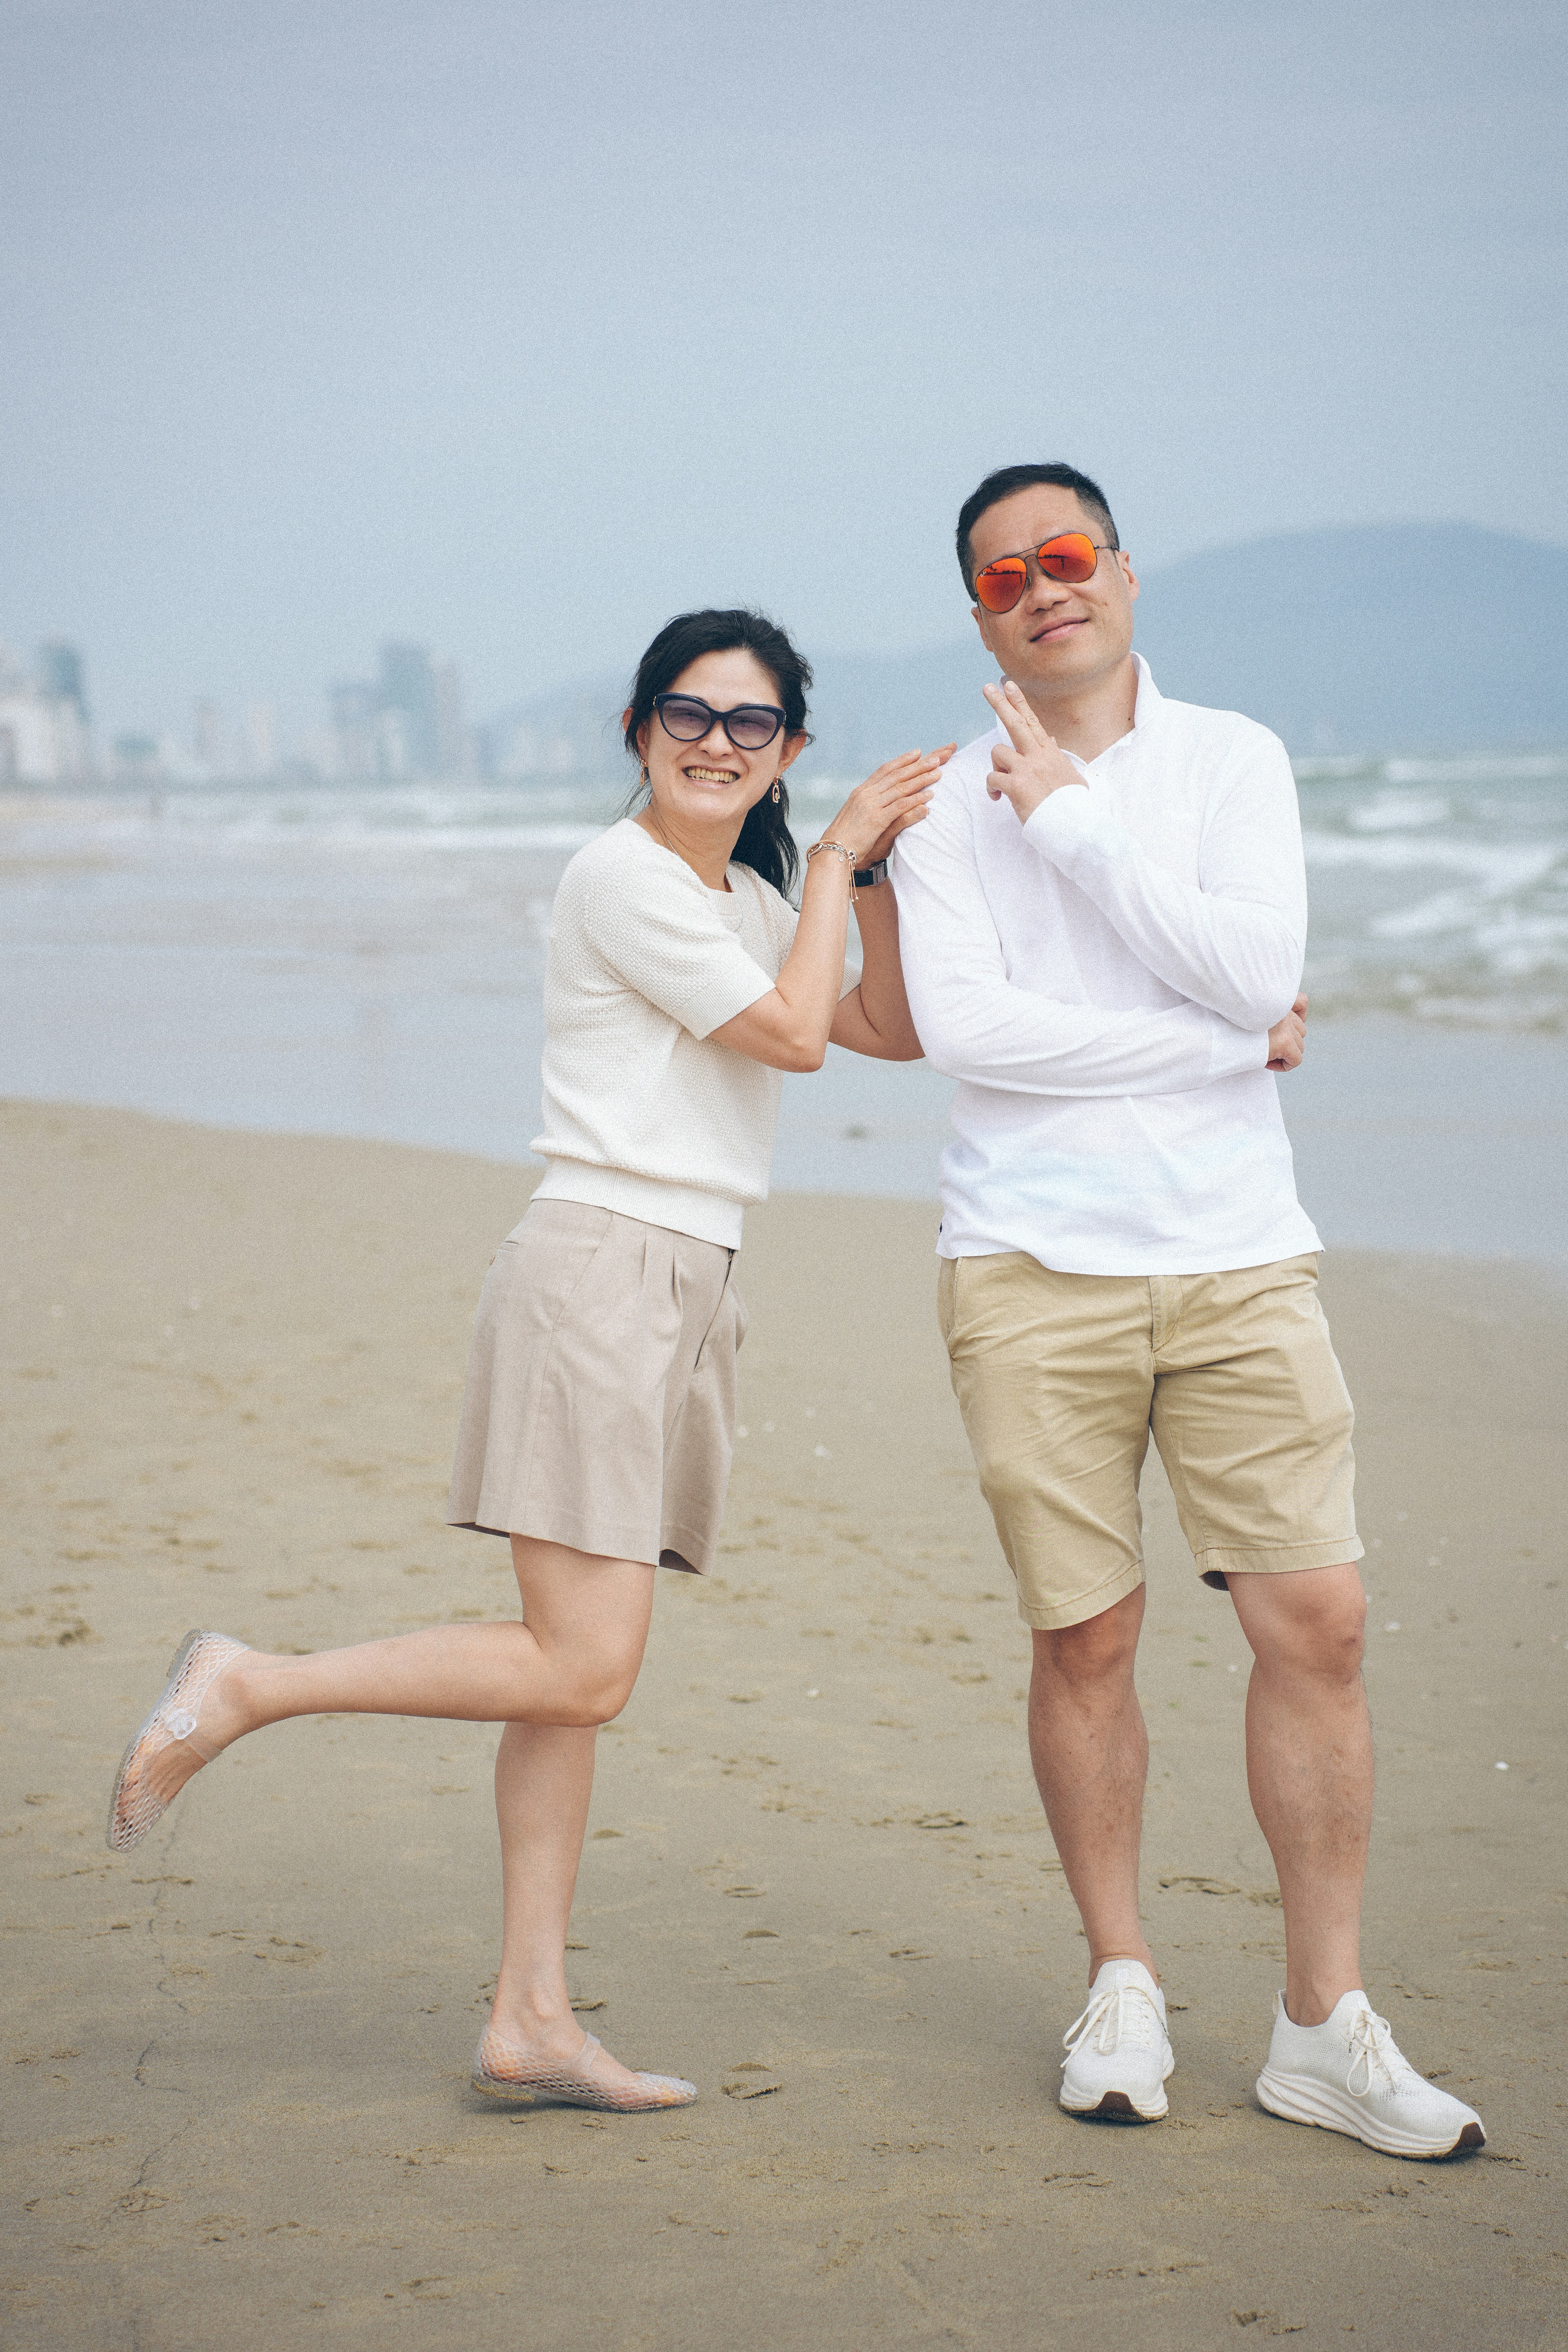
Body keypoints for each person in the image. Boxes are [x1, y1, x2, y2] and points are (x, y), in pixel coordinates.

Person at [108, 605, 948, 2114]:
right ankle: (248, 1683)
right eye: (684, 714)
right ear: (639, 732)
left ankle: (531, 2019)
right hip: (601, 1274)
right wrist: (830, 858)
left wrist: (864, 872)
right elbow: (796, 1041)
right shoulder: (620, 878)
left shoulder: (739, 898)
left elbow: (881, 1020)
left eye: (748, 724)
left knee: (565, 1687)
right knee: (584, 1666)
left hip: (686, 1282)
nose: (712, 741)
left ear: (786, 754)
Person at [891, 462, 1485, 2160]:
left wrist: (1074, 827)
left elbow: (1252, 959)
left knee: (1322, 1623)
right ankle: (1123, 1979)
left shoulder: (1235, 761)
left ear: (1125, 574)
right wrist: (1230, 1033)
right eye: (1007, 575)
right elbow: (978, 1035)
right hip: (1025, 1265)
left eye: (1067, 556)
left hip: (1236, 1256)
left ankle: (1323, 2025)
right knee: (1084, 1636)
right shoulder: (940, 811)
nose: (1043, 587)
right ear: (981, 612)